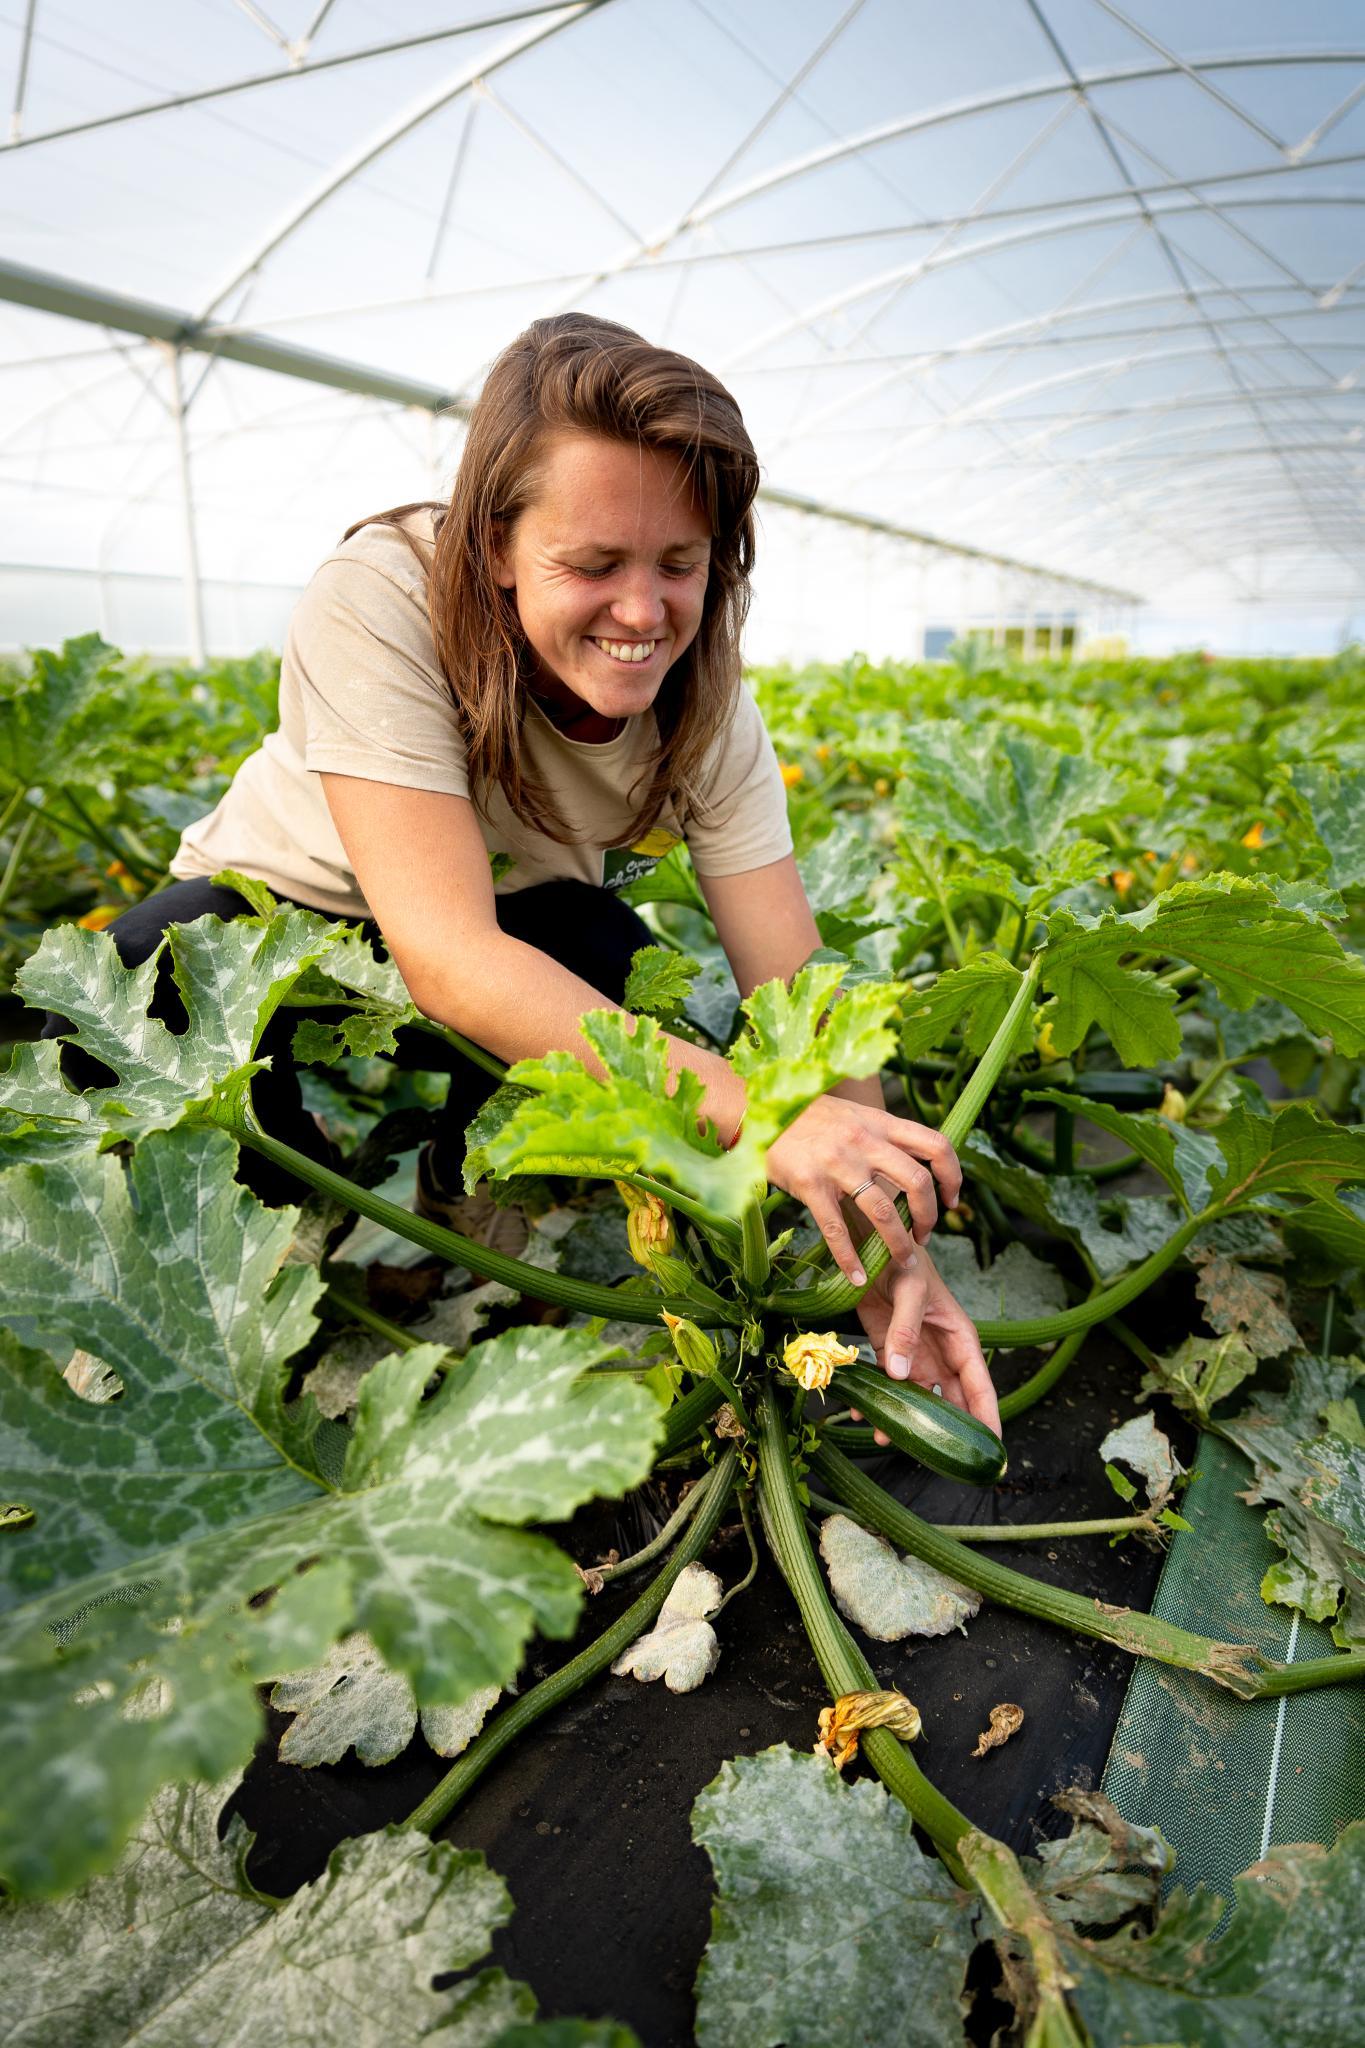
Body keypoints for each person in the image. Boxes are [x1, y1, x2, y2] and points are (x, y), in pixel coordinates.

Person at [77, 312, 1000, 1434]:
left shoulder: (711, 706)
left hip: (512, 932)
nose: (643, 611)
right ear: (495, 549)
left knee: (608, 968)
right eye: (593, 563)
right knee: (134, 1006)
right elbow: (448, 956)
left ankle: (469, 1176)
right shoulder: (383, 594)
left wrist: (886, 1232)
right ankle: (291, 1180)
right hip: (265, 928)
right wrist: (766, 1119)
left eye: (680, 563)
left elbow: (793, 977)